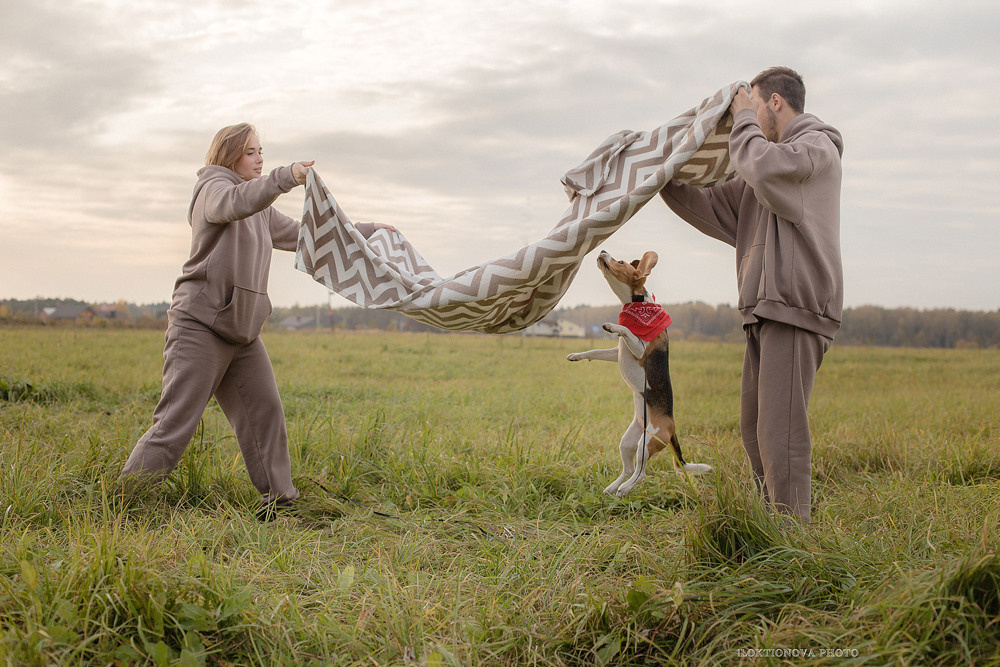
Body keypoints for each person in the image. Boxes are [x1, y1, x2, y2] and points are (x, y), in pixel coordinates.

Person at [122, 123, 383, 519]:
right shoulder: (213, 189)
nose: (260, 159)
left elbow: (304, 235)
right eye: (251, 152)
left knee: (266, 415)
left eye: (261, 151)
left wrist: (368, 232)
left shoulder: (259, 208)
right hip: (199, 327)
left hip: (243, 333)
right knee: (176, 423)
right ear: (229, 155)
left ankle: (281, 502)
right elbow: (233, 203)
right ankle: (125, 498)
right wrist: (285, 176)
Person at [660, 67, 844, 523]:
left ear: (775, 102)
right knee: (754, 429)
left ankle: (793, 538)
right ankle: (773, 525)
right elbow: (710, 205)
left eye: (753, 106)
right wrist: (660, 174)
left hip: (795, 308)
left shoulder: (815, 149)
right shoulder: (764, 169)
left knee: (781, 434)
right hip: (763, 310)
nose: (746, 117)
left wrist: (742, 116)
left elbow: (759, 164)